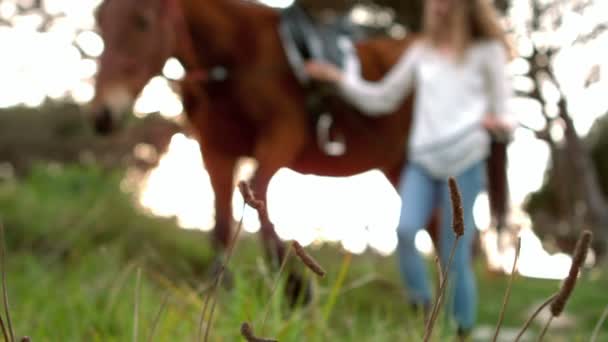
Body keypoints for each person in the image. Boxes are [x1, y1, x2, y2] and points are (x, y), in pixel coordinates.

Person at [304, 0, 517, 336]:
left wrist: (497, 124)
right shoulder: (421, 51)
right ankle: (421, 305)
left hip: (465, 160)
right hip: (421, 160)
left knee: (454, 253)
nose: (436, 6)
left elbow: (507, 115)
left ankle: (461, 328)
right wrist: (339, 78)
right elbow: (381, 98)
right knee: (405, 230)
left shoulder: (486, 52)